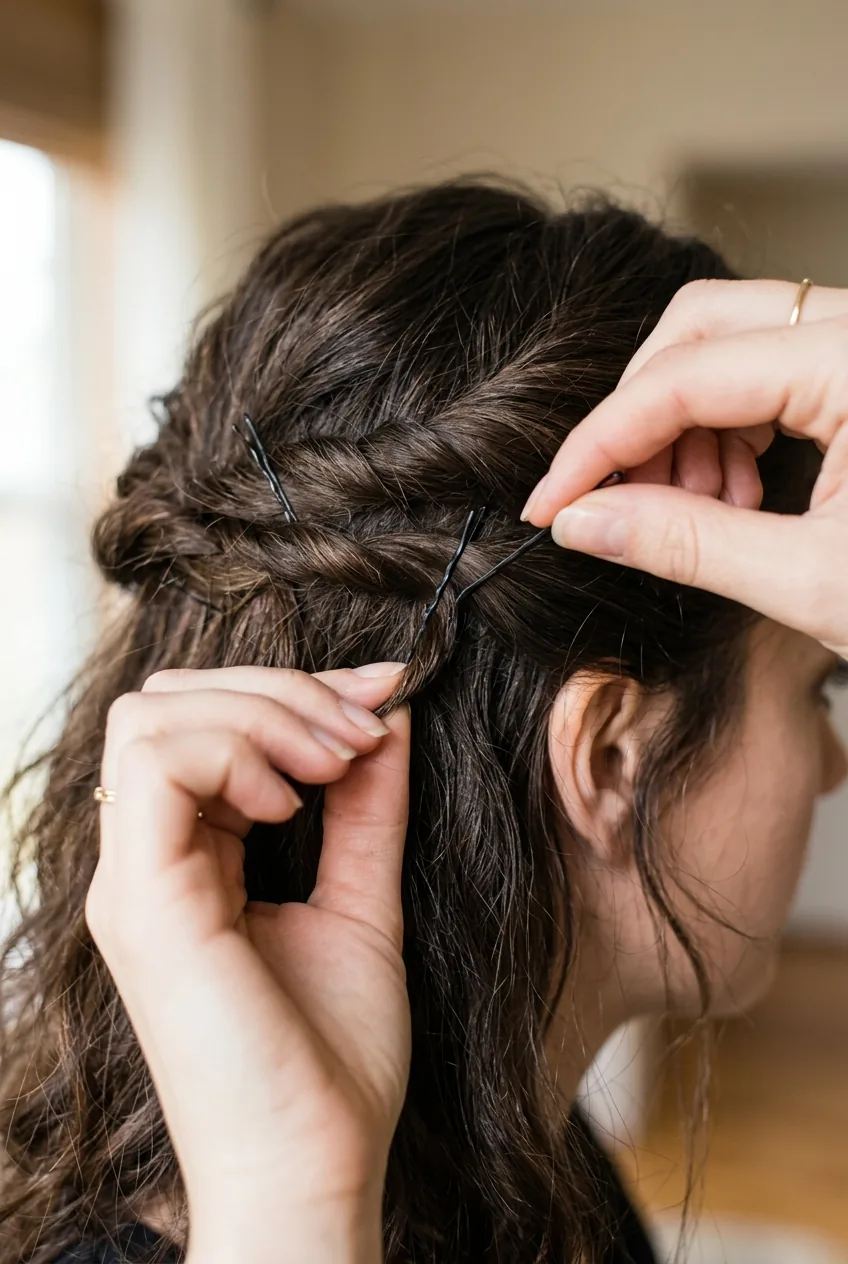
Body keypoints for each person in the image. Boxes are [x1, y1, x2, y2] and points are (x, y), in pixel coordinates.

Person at [0, 181, 844, 1264]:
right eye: (812, 686)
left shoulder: (532, 1155)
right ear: (607, 755)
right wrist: (293, 1213)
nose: (829, 765)